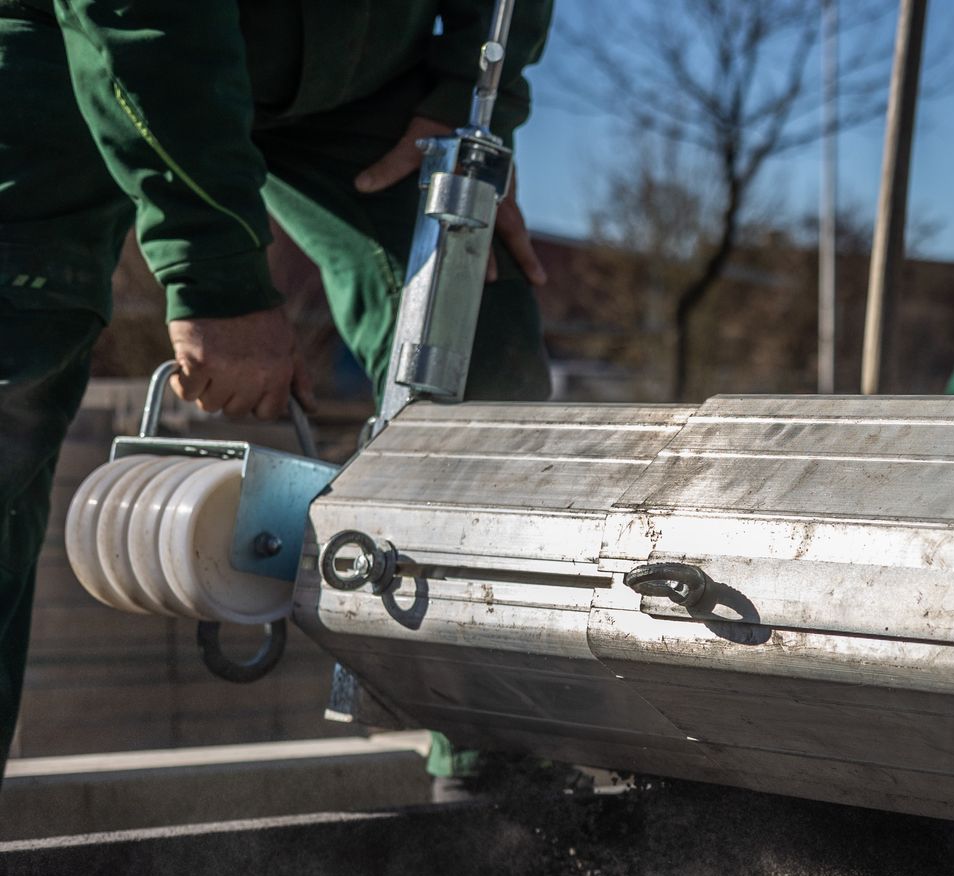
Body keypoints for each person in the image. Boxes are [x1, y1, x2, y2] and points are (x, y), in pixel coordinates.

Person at [0, 0, 554, 785]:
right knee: (11, 363)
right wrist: (213, 270)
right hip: (77, 33)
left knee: (475, 324)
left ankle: (500, 782)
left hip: (358, 69)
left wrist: (466, 94)